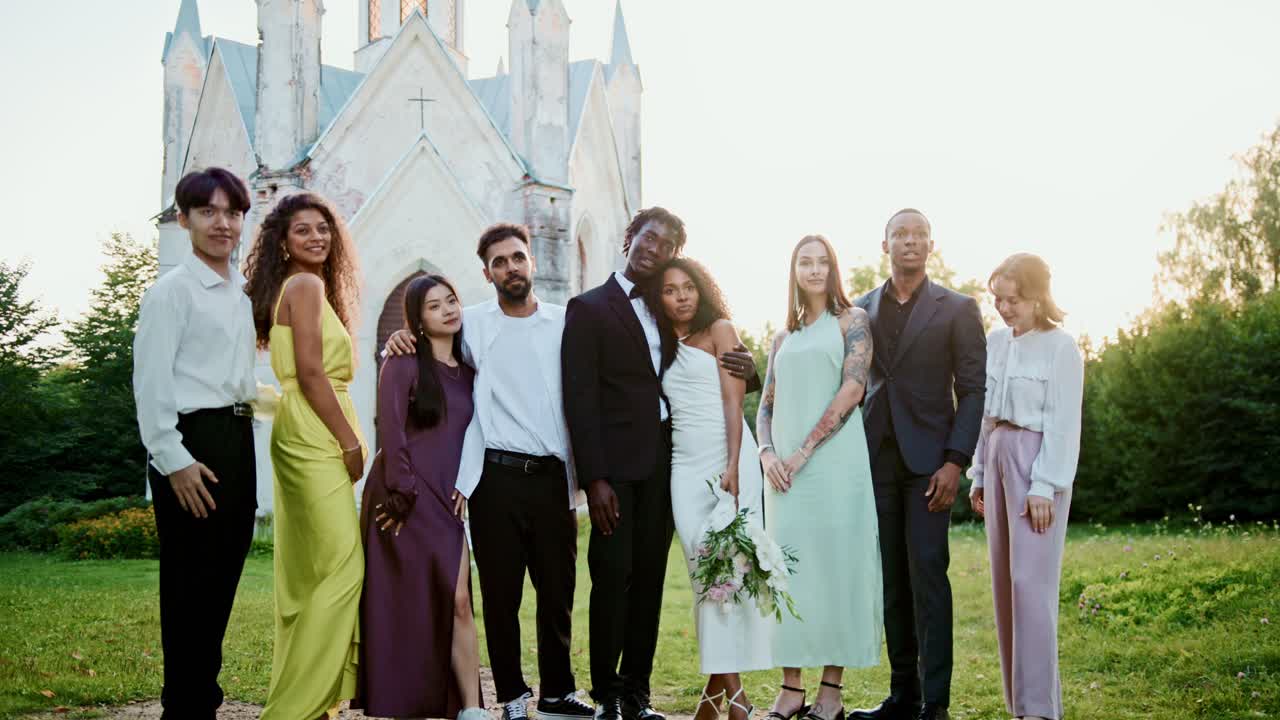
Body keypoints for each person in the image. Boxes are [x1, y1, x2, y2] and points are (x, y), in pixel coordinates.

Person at [385, 223, 593, 720]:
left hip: (551, 475)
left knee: (557, 591)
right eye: (499, 262)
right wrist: (397, 338)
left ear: (532, 262)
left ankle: (558, 692)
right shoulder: (472, 323)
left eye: (517, 258)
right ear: (487, 273)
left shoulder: (565, 321)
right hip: (495, 478)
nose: (510, 268)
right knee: (500, 594)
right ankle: (514, 696)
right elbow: (427, 342)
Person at [561, 207, 760, 720]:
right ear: (631, 237)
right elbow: (579, 399)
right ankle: (606, 693)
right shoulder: (588, 308)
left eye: (668, 244)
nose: (656, 248)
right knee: (611, 576)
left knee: (649, 580)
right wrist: (594, 479)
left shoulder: (669, 310)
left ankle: (637, 694)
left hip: (666, 466)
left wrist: (750, 369)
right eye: (650, 237)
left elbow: (708, 368)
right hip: (614, 473)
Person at [851, 209, 987, 720]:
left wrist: (957, 461)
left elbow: (973, 390)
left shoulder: (958, 308)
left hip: (932, 467)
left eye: (918, 234)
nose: (909, 241)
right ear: (883, 243)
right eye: (899, 234)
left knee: (928, 576)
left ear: (932, 244)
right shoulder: (861, 309)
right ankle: (902, 696)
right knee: (891, 581)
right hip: (876, 461)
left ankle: (936, 703)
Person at [132, 167, 257, 720]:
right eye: (207, 211)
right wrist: (173, 460)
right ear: (183, 220)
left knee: (223, 578)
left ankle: (201, 699)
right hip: (191, 445)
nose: (222, 223)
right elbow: (151, 384)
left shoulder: (240, 294)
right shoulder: (171, 293)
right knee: (189, 585)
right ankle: (183, 708)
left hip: (235, 438)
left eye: (231, 212)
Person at [244, 192, 365, 720]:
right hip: (315, 432)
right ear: (283, 242)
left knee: (313, 572)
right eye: (303, 231)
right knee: (343, 568)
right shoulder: (306, 285)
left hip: (302, 427)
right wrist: (350, 440)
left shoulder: (299, 288)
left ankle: (310, 703)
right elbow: (313, 374)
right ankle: (296, 709)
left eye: (324, 228)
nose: (317, 237)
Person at [756, 235, 883, 720]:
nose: (813, 270)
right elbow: (766, 404)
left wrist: (804, 451)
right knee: (786, 573)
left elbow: (853, 389)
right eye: (804, 262)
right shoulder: (782, 339)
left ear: (834, 269)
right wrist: (768, 454)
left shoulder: (853, 322)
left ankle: (831, 690)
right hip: (783, 477)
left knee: (836, 569)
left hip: (833, 468)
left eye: (822, 262)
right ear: (793, 271)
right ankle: (791, 689)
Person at [643, 257, 773, 720]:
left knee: (729, 577)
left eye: (688, 287)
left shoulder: (721, 329)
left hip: (727, 458)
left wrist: (735, 465)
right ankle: (716, 699)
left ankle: (730, 700)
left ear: (702, 289)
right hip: (684, 465)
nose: (681, 297)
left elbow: (732, 401)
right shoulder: (659, 342)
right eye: (670, 290)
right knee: (706, 579)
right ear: (658, 299)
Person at [354, 274, 487, 720]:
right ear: (419, 320)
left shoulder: (471, 369)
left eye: (451, 299)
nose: (448, 309)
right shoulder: (404, 361)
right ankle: (403, 703)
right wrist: (402, 492)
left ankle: (471, 708)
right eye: (434, 306)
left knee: (458, 600)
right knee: (409, 600)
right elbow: (390, 430)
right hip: (403, 495)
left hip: (450, 499)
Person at [968, 254, 1083, 720]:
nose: (1004, 307)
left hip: (1036, 462)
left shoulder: (1061, 347)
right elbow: (984, 414)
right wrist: (977, 471)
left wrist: (1045, 485)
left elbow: (1063, 423)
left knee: (1030, 584)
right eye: (997, 298)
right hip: (996, 454)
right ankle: (1020, 706)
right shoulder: (995, 342)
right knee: (1003, 584)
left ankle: (1039, 709)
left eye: (1013, 299)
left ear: (1038, 297)